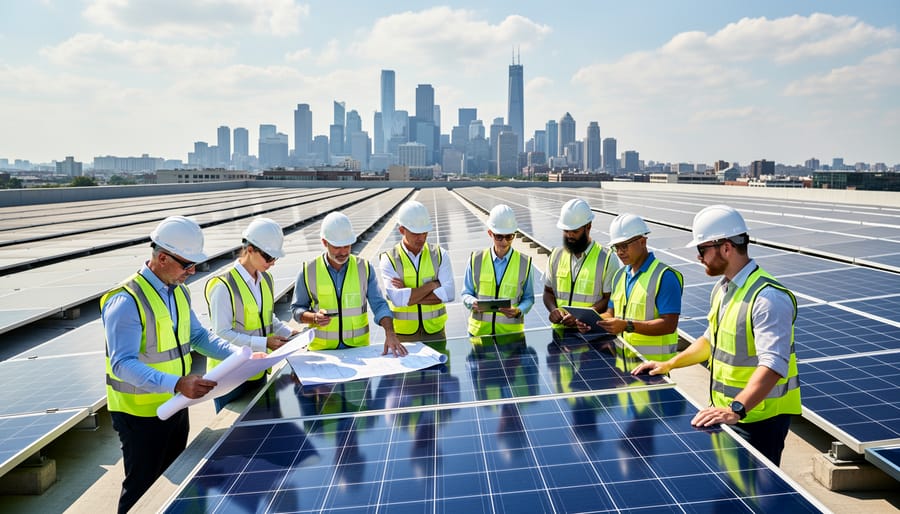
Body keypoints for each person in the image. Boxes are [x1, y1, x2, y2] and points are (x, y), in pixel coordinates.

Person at [632, 205, 800, 465]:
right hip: (727, 413)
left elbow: (774, 365)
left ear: (726, 247)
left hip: (758, 421)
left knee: (753, 500)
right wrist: (668, 364)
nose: (699, 257)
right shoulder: (723, 290)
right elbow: (711, 341)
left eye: (702, 249)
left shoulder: (767, 298)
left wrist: (737, 408)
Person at [101, 216, 240, 514]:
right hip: (140, 413)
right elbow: (122, 364)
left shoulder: (178, 292)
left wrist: (241, 356)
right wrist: (176, 383)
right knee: (141, 490)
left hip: (176, 404)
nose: (192, 272)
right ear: (162, 257)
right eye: (187, 265)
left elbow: (199, 336)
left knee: (172, 482)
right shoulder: (126, 300)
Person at [205, 217, 298, 412]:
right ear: (250, 250)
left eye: (275, 258)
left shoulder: (266, 279)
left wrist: (289, 333)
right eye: (268, 257)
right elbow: (222, 334)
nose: (272, 263)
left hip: (256, 370)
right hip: (229, 378)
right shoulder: (223, 285)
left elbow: (267, 317)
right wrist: (265, 343)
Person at [291, 211, 407, 356]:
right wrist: (313, 317)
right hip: (322, 353)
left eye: (347, 246)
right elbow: (296, 310)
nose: (343, 252)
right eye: (337, 247)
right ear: (324, 242)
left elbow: (379, 305)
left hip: (358, 350)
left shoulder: (364, 268)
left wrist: (390, 332)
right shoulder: (308, 271)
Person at [597, 214, 683, 367]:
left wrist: (627, 325)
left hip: (652, 369)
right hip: (621, 365)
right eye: (617, 247)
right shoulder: (619, 276)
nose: (620, 252)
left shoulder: (665, 277)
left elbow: (669, 324)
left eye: (624, 246)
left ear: (642, 242)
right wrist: (592, 320)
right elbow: (611, 313)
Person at [379, 200, 455, 342]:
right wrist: (432, 286)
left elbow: (449, 294)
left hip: (435, 331)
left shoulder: (440, 254)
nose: (421, 238)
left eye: (424, 232)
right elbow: (397, 299)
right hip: (403, 335)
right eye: (415, 233)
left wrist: (408, 293)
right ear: (402, 230)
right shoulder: (388, 259)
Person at [543, 198, 619, 334]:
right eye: (566, 231)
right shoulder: (555, 255)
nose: (569, 235)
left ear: (588, 226)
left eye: (575, 231)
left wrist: (581, 317)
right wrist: (553, 310)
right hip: (559, 335)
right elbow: (548, 292)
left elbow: (609, 300)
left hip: (591, 334)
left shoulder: (606, 259)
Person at [461, 204, 534, 336]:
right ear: (490, 233)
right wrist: (473, 302)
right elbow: (466, 293)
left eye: (509, 236)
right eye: (499, 237)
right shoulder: (475, 260)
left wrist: (518, 310)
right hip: (478, 334)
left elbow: (529, 298)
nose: (504, 242)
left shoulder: (525, 263)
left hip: (510, 336)